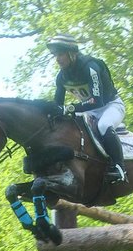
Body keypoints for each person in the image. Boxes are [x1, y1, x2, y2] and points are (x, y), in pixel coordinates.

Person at [47, 34, 127, 184]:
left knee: (103, 126)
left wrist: (70, 108)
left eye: (61, 54)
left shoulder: (91, 67)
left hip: (110, 106)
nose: (57, 59)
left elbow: (97, 101)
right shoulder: (61, 77)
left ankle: (119, 168)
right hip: (88, 110)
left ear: (71, 53)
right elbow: (57, 105)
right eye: (55, 55)